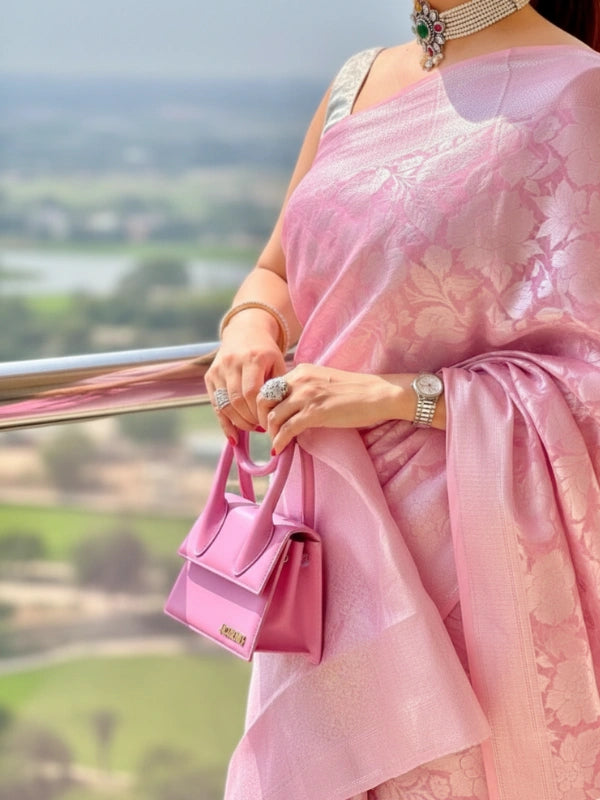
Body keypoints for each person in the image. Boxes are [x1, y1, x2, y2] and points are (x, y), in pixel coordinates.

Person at [205, 1, 600, 798]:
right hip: (322, 536)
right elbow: (277, 269)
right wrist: (249, 324)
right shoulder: (356, 81)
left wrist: (394, 397)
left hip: (471, 543)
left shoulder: (580, 95)